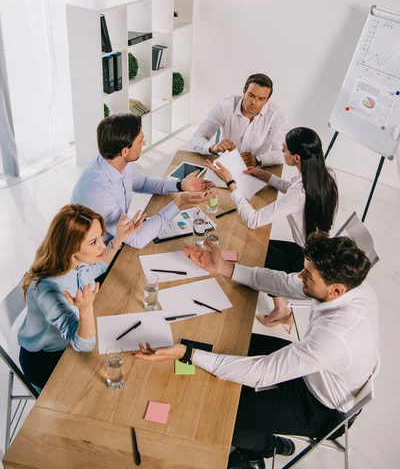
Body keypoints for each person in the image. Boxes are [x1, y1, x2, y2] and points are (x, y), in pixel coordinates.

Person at [134, 234, 378, 469]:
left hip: (320, 407)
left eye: (308, 276)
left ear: (336, 290)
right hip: (317, 369)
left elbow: (262, 372)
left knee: (219, 415)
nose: (299, 276)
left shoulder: (335, 336)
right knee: (224, 344)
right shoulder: (352, 286)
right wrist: (225, 268)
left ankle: (267, 446)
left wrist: (188, 354)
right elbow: (284, 282)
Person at [206, 127, 338, 329]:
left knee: (258, 253)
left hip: (305, 263)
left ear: (295, 158)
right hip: (317, 251)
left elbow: (253, 220)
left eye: (284, 150)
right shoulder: (324, 176)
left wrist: (231, 183)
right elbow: (291, 188)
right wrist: (264, 175)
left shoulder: (299, 192)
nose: (281, 152)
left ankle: (282, 311)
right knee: (263, 248)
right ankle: (281, 310)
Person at [18, 204, 145, 389]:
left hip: (70, 344)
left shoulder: (73, 263)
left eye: (100, 237)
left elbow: (98, 267)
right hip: (47, 360)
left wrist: (118, 240)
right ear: (70, 247)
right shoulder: (49, 290)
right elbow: (83, 344)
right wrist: (86, 309)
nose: (102, 245)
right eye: (93, 242)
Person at [72, 114, 215, 249]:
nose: (144, 143)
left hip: (117, 240)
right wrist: (180, 201)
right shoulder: (98, 193)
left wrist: (180, 185)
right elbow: (137, 239)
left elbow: (142, 182)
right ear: (125, 151)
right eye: (140, 140)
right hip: (99, 257)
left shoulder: (116, 160)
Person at [190, 73, 287, 167]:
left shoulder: (275, 115)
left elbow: (283, 153)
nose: (254, 102)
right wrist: (213, 147)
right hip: (224, 163)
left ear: (267, 100)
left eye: (261, 99)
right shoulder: (224, 107)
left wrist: (257, 160)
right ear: (244, 91)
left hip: (256, 168)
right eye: (251, 95)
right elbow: (196, 139)